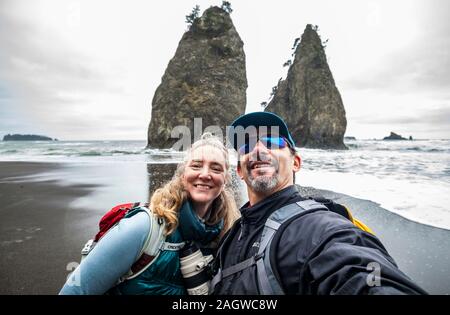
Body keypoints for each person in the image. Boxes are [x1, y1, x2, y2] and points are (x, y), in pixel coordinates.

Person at [210, 111, 427, 295]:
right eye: (246, 146)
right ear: (239, 170)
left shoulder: (319, 227)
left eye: (272, 142)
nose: (258, 150)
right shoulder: (232, 234)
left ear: (296, 163)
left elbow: (356, 270)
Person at [60, 132, 239, 295]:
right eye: (196, 165)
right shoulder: (144, 227)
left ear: (225, 180)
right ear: (183, 175)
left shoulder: (228, 233)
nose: (205, 174)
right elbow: (76, 291)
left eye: (216, 168)